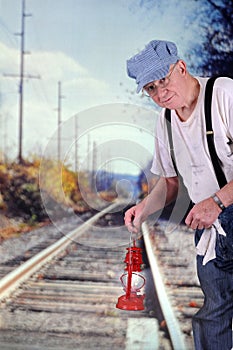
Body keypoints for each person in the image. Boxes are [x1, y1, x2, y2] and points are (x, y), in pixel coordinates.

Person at [124, 39, 233, 350]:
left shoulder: (223, 94)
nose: (161, 93)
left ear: (181, 68)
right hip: (211, 229)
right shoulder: (166, 120)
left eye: (164, 81)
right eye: (151, 89)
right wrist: (144, 208)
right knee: (214, 315)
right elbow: (169, 183)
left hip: (219, 209)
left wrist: (217, 201)